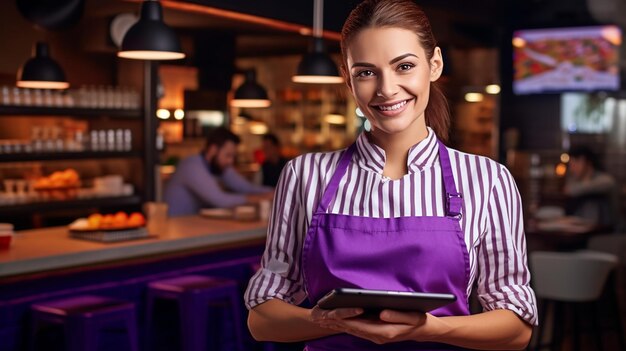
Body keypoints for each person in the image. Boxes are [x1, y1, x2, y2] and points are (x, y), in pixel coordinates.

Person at [244, 1, 537, 350]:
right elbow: (262, 319)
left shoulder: (487, 180)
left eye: (405, 66)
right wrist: (324, 320)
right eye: (366, 72)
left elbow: (517, 329)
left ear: (434, 64)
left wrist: (429, 329)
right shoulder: (305, 175)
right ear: (348, 79)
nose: (386, 89)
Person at [163, 127, 273, 217]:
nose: (230, 161)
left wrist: (277, 192)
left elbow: (247, 187)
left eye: (233, 157)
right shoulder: (191, 166)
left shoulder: (219, 167)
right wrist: (260, 198)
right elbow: (220, 200)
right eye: (228, 155)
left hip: (195, 227)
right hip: (174, 230)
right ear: (213, 150)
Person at [564, 145, 619, 230]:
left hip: (606, 231)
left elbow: (572, 190)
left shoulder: (604, 180)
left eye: (574, 163)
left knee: (592, 199)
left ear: (585, 162)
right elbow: (568, 189)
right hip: (581, 229)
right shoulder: (576, 180)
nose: (571, 169)